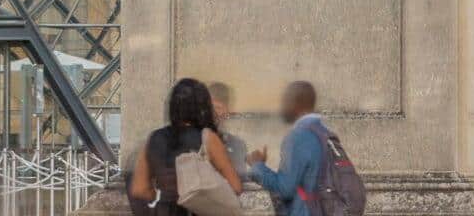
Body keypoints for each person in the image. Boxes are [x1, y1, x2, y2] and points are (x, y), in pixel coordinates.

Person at [128, 77, 241, 216]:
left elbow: (139, 188)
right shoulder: (208, 138)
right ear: (203, 107)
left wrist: (163, 196)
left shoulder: (154, 138)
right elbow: (235, 186)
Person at [246, 82, 330, 216]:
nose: (282, 107)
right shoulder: (325, 133)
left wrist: (257, 166)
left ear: (296, 103)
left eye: (285, 101)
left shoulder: (298, 137)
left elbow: (284, 189)